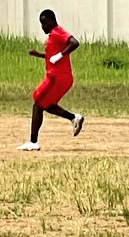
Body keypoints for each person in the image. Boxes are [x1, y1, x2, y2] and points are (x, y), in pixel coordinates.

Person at [18, 9, 84, 152]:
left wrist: (60, 55)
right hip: (61, 77)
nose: (42, 27)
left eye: (43, 24)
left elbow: (75, 43)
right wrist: (40, 55)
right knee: (46, 105)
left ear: (51, 21)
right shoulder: (54, 36)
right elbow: (52, 56)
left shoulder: (57, 32)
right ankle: (74, 118)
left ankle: (33, 142)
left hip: (57, 78)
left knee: (37, 104)